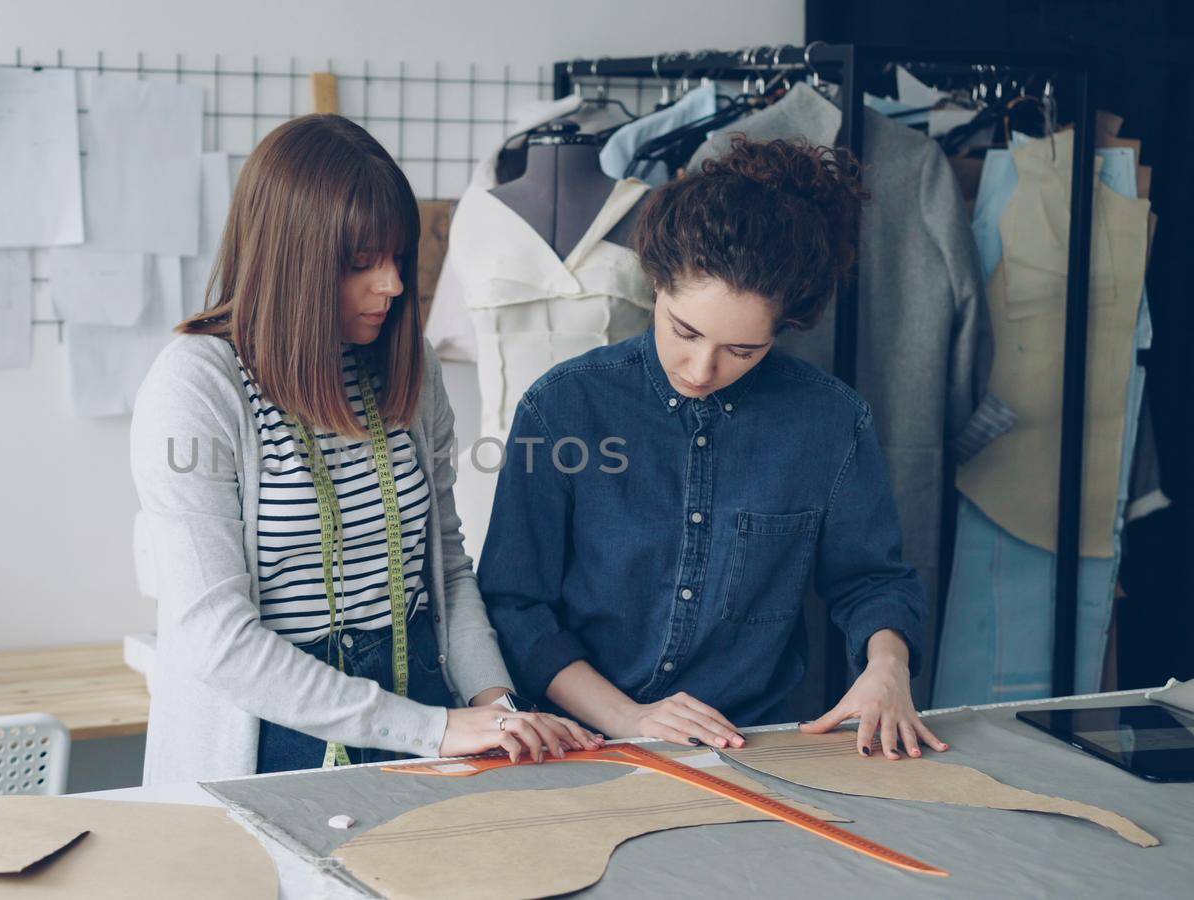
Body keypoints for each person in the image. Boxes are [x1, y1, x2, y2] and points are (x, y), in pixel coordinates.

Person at [130, 114, 599, 785]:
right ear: (291, 260)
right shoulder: (199, 384)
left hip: (420, 708)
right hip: (271, 736)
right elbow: (217, 639)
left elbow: (446, 567)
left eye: (398, 258)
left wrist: (495, 706)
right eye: (360, 264)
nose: (394, 286)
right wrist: (432, 728)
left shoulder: (406, 367)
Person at [480, 136, 951, 761]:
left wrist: (887, 664)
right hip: (578, 744)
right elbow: (516, 604)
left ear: (783, 328)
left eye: (742, 351)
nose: (702, 369)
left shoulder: (831, 423)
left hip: (754, 747)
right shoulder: (564, 408)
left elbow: (870, 581)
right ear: (655, 284)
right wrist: (630, 718)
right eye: (685, 331)